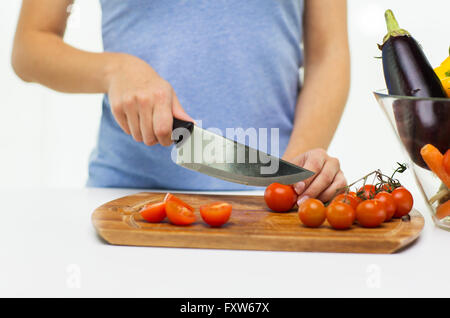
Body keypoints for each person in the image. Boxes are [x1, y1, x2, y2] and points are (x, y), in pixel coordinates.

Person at [12, 0, 350, 205]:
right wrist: (116, 70)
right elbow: (30, 46)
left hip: (270, 199)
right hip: (127, 202)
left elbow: (328, 53)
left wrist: (294, 174)